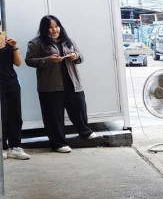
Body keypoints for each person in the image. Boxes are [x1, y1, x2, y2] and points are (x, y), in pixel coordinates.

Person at [25, 15, 96, 153]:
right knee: (53, 116)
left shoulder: (67, 40)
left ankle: (84, 131)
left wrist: (76, 56)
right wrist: (49, 60)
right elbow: (29, 61)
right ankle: (58, 143)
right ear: (44, 29)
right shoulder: (36, 43)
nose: (54, 30)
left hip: (72, 82)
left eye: (56, 26)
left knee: (79, 108)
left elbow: (81, 57)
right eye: (50, 27)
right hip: (50, 87)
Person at [0, 31, 30, 160]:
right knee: (2, 117)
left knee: (15, 116)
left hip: (11, 83)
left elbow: (18, 63)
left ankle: (15, 147)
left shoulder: (7, 41)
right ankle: (2, 147)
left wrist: (14, 47)